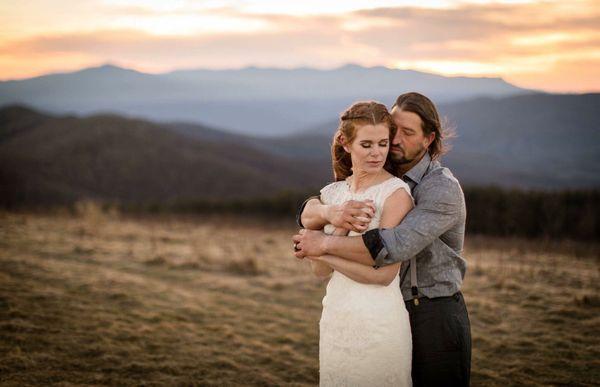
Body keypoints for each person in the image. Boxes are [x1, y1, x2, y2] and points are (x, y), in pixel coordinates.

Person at [293, 92, 472, 387]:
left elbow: (389, 247)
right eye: (393, 130)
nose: (394, 140)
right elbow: (313, 212)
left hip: (432, 311)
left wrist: (321, 244)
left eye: (407, 133)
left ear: (428, 139)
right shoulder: (370, 177)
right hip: (374, 308)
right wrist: (328, 212)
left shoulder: (440, 189)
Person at [302, 101, 414, 386]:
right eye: (366, 144)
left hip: (378, 322)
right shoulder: (332, 193)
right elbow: (319, 272)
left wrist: (322, 245)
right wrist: (337, 227)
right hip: (337, 317)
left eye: (383, 143)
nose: (377, 153)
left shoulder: (396, 195)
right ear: (345, 143)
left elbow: (384, 274)